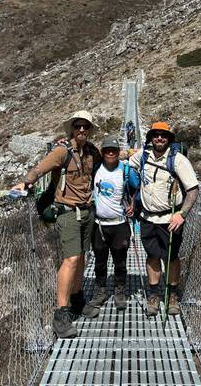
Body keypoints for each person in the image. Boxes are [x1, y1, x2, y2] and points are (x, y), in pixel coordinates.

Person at [11, 110, 101, 338]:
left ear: (90, 130)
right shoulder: (61, 151)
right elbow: (39, 168)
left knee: (81, 257)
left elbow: (110, 162)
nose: (82, 129)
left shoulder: (91, 152)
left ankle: (78, 299)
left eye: (86, 126)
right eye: (78, 125)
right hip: (68, 213)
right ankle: (61, 314)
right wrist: (25, 183)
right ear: (72, 128)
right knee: (70, 259)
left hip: (87, 212)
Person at [129, 121, 199, 316]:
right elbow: (123, 162)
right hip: (147, 218)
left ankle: (172, 295)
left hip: (170, 219)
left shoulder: (178, 160)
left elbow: (193, 190)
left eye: (164, 135)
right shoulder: (143, 156)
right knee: (152, 256)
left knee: (171, 257)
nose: (159, 138)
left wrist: (182, 214)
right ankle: (154, 295)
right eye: (156, 134)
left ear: (169, 139)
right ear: (151, 137)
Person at [82, 135, 139, 318]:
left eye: (113, 150)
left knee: (120, 261)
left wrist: (134, 205)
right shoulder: (96, 168)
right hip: (99, 225)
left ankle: (119, 290)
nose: (110, 153)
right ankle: (100, 291)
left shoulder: (125, 170)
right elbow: (83, 149)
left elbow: (137, 188)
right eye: (107, 150)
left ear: (118, 152)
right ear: (103, 152)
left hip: (120, 224)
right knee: (99, 261)